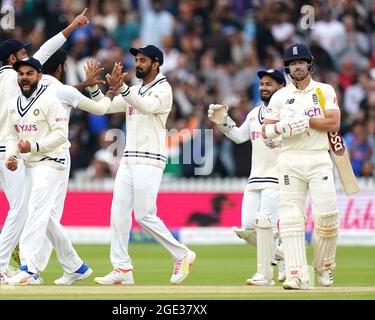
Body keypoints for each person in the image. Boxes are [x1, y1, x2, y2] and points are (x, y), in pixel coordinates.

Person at [0, 9, 90, 283]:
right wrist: (71, 28)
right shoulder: (18, 76)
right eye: (23, 55)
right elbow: (47, 49)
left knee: (27, 207)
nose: (28, 59)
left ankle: (73, 265)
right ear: (12, 59)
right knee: (23, 208)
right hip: (12, 151)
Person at [87, 45, 196, 285]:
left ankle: (182, 254)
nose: (137, 64)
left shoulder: (164, 89)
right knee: (118, 213)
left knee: (145, 215)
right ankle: (122, 268)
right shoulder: (135, 90)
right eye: (136, 59)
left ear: (156, 63)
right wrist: (95, 86)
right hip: (128, 159)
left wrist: (122, 88)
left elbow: (146, 107)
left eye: (143, 60)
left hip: (150, 158)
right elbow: (104, 107)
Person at [32, 49, 123, 285]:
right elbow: (101, 108)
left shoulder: (33, 86)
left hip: (35, 153)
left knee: (43, 212)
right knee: (45, 212)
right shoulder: (61, 90)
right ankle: (68, 266)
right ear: (62, 68)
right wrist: (111, 89)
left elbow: (65, 93)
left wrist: (83, 84)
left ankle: (35, 268)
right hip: (56, 155)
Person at [0, 57, 91, 285]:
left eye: (29, 73)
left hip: (52, 161)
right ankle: (75, 266)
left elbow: (61, 134)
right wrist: (11, 156)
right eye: (21, 74)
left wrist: (34, 146)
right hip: (31, 163)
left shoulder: (51, 99)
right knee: (47, 217)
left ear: (39, 75)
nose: (24, 78)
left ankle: (29, 269)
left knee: (36, 211)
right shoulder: (14, 103)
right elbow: (12, 135)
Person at [262, 43, 341, 290]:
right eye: (293, 64)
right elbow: (266, 133)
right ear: (288, 67)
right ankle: (297, 274)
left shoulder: (324, 91)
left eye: (301, 63)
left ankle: (324, 267)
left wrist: (306, 121)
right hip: (290, 158)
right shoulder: (280, 96)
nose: (297, 67)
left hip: (318, 158)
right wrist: (280, 128)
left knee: (327, 218)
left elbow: (334, 123)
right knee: (290, 219)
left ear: (309, 64)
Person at [208, 69, 286, 286]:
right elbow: (239, 137)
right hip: (255, 178)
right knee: (248, 228)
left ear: (281, 87)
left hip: (277, 177)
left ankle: (264, 275)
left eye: (269, 84)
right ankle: (286, 256)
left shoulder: (288, 111)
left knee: (265, 225)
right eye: (262, 84)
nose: (264, 87)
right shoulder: (254, 113)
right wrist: (223, 121)